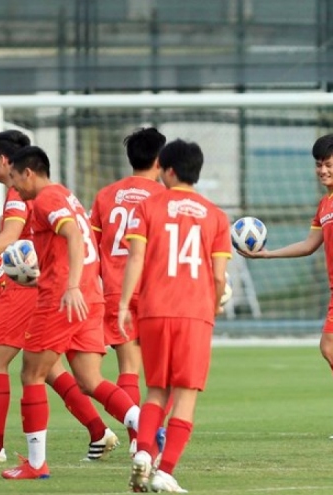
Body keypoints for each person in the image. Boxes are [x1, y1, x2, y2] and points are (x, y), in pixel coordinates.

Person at [0, 130, 119, 463]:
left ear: (5, 161)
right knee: (51, 369)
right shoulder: (24, 193)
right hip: (51, 284)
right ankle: (100, 431)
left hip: (31, 286)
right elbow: (1, 228)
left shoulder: (26, 193)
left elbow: (8, 238)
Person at [1, 146, 140, 480]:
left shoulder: (47, 199)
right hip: (90, 300)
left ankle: (36, 464)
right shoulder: (67, 196)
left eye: (15, 178)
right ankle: (146, 427)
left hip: (62, 301)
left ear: (29, 172)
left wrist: (70, 285)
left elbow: (74, 236)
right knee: (91, 380)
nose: (14, 186)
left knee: (31, 375)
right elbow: (69, 244)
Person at [242, 133, 333, 440]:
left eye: (328, 164)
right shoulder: (325, 203)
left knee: (329, 347)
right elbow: (309, 244)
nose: (323, 170)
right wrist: (266, 254)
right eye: (318, 165)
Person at [120, 139, 231, 493]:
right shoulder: (215, 215)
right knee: (185, 395)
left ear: (168, 171)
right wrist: (213, 305)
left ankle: (142, 452)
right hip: (194, 312)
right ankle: (165, 471)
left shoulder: (149, 207)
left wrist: (124, 304)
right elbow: (217, 276)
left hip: (154, 310)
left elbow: (135, 258)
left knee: (155, 391)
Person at [90, 128, 167, 448]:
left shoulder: (106, 195)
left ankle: (138, 438)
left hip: (115, 291)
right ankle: (149, 435)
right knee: (161, 373)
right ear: (160, 161)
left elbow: (91, 248)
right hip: (154, 291)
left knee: (128, 368)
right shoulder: (164, 198)